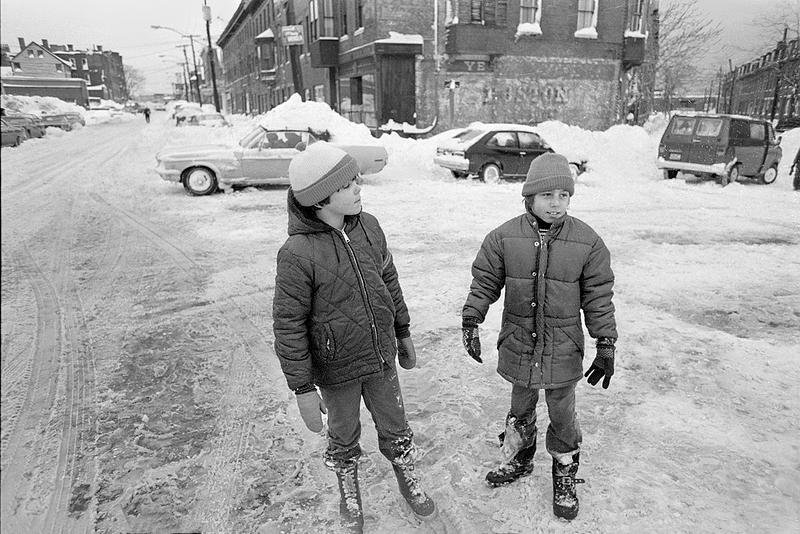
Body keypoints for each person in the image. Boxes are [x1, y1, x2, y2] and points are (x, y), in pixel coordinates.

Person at [272, 142, 436, 532]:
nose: (359, 187)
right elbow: (288, 323)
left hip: (380, 358)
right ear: (320, 200)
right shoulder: (297, 253)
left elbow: (388, 281)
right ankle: (348, 487)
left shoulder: (370, 227)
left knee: (396, 426)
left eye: (356, 179)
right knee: (343, 436)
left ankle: (406, 475)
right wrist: (302, 388)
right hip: (337, 369)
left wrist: (403, 331)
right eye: (348, 184)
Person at [461, 152, 617, 521]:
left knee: (562, 414)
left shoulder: (588, 242)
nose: (557, 204)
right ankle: (518, 458)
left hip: (562, 346)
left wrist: (605, 341)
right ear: (529, 197)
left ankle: (564, 473)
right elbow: (485, 281)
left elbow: (599, 295)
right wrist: (471, 317)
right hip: (519, 342)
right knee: (520, 408)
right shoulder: (503, 237)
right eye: (548, 196)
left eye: (564, 195)